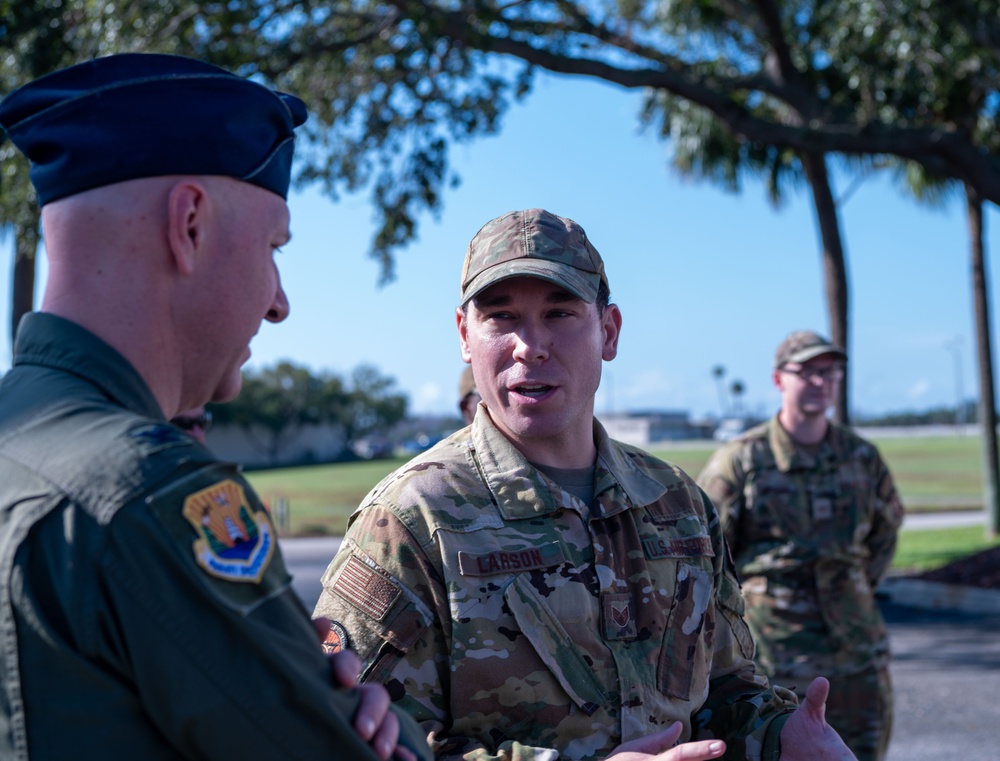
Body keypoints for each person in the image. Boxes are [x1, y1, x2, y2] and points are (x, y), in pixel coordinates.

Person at [0, 53, 430, 761]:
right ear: (190, 224)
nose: (279, 300)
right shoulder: (147, 492)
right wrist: (386, 726)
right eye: (273, 245)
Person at [313, 209, 858, 761]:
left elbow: (725, 689)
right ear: (464, 336)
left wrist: (781, 735)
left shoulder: (676, 502)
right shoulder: (411, 519)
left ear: (610, 331)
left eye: (560, 313)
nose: (530, 345)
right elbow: (354, 743)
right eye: (501, 317)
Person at [697, 331, 904, 761]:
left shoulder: (861, 457)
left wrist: (853, 587)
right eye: (807, 371)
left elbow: (884, 534)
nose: (820, 381)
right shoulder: (742, 460)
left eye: (828, 372)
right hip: (775, 656)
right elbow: (707, 555)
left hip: (857, 648)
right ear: (779, 380)